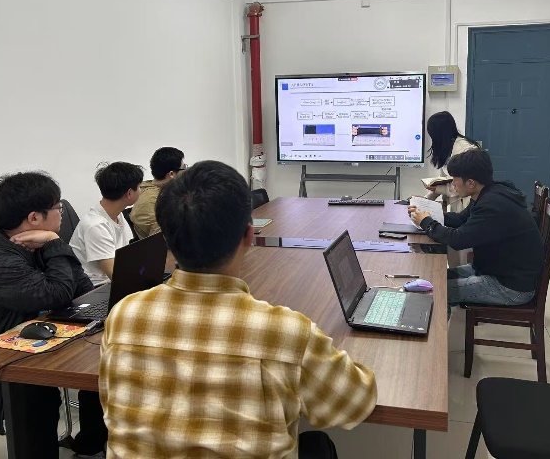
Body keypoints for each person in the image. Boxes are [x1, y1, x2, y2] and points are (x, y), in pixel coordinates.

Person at [99, 160, 377, 458]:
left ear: (165, 237)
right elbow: (354, 404)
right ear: (249, 236)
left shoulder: (123, 316)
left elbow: (110, 401)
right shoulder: (287, 332)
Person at [0, 172, 107, 459]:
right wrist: (55, 242)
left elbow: (80, 288)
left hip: (22, 340)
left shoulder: (28, 243)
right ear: (34, 218)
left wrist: (53, 245)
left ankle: (91, 444)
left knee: (103, 358)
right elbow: (56, 294)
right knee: (36, 393)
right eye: (58, 207)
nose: (61, 212)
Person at [409, 149, 544, 310]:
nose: (453, 184)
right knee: (432, 278)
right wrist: (430, 215)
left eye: (455, 180)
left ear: (471, 183)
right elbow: (461, 219)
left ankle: (436, 324)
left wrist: (427, 223)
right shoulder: (489, 193)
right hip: (493, 270)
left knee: (433, 290)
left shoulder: (492, 205)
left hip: (510, 287)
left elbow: (458, 240)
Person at [70, 162, 143, 286]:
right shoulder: (96, 226)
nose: (141, 190)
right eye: (139, 187)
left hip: (114, 282)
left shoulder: (117, 214)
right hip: (97, 288)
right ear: (129, 193)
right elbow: (117, 276)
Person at [423, 112, 480, 211]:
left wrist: (438, 189)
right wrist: (425, 199)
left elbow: (466, 185)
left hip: (467, 204)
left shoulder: (464, 150)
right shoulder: (447, 147)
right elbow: (443, 180)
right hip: (456, 204)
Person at [130, 147, 185, 239]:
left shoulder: (165, 190)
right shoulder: (149, 202)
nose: (186, 172)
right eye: (184, 168)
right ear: (171, 174)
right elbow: (163, 239)